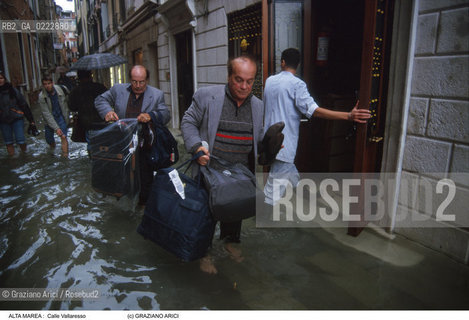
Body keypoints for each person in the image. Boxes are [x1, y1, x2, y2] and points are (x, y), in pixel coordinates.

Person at [180, 55, 264, 274]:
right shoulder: (206, 96)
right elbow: (188, 122)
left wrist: (270, 148)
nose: (244, 86)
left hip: (238, 173)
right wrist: (197, 147)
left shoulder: (258, 106)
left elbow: (259, 140)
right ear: (228, 76)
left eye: (249, 81)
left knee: (234, 212)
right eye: (238, 80)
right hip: (208, 168)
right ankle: (203, 253)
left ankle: (229, 243)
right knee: (204, 215)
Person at [263, 48, 371, 205]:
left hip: (269, 139)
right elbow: (314, 111)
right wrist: (348, 116)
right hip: (283, 143)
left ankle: (302, 190)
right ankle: (265, 220)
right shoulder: (296, 84)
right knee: (272, 192)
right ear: (298, 65)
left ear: (283, 62)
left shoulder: (269, 81)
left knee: (288, 170)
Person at [95, 65, 170, 205]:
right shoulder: (118, 90)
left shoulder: (157, 94)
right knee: (121, 176)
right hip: (121, 143)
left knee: (145, 178)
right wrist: (107, 112)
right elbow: (100, 100)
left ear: (146, 80)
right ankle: (124, 200)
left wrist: (151, 116)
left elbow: (166, 115)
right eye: (134, 81)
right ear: (130, 79)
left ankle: (143, 205)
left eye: (141, 82)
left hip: (144, 145)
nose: (138, 85)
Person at [0, 71, 38, 156]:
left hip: (16, 118)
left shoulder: (12, 90)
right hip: (3, 120)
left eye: (1, 78)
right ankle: (12, 159)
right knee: (8, 142)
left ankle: (24, 155)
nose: (0, 80)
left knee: (20, 139)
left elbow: (23, 104)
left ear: (4, 79)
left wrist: (31, 120)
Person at [69, 70, 107, 150]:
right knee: (103, 141)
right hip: (101, 120)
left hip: (86, 122)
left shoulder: (76, 91)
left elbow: (72, 107)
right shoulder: (100, 87)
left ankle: (92, 158)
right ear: (91, 76)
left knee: (91, 143)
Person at [39, 73, 70, 156]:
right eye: (45, 84)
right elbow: (46, 114)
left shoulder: (62, 89)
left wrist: (70, 116)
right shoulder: (42, 97)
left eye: (49, 83)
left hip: (60, 117)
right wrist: (56, 128)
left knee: (63, 136)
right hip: (49, 119)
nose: (47, 86)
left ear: (52, 83)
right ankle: (52, 153)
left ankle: (65, 157)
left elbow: (68, 102)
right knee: (49, 140)